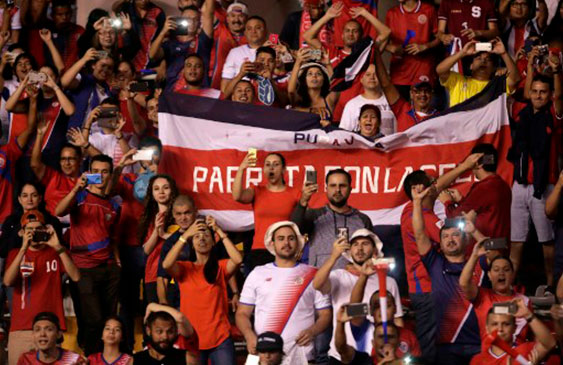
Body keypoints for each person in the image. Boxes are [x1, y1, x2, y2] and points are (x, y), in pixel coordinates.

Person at [399, 154, 483, 363]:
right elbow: (452, 239)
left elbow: (437, 186)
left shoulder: (412, 210)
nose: (437, 186)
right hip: (428, 289)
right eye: (431, 184)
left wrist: (465, 165)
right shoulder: (421, 217)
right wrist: (460, 211)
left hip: (429, 286)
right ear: (420, 190)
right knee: (431, 348)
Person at [236, 221, 332, 363]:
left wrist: (313, 331)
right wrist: (249, 335)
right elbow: (242, 313)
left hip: (301, 355)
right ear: (272, 243)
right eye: (281, 238)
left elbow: (325, 314)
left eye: (291, 238)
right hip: (263, 354)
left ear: (298, 243)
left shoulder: (314, 274)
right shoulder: (257, 273)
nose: (286, 243)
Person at [54, 154, 121, 356]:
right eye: (96, 171)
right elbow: (59, 211)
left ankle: (104, 358)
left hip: (109, 269)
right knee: (92, 320)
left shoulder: (114, 204)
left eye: (105, 171)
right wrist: (76, 187)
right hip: (83, 269)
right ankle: (90, 358)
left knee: (108, 319)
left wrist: (117, 261)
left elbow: (110, 234)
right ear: (89, 173)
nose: (100, 176)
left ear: (110, 175)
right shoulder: (80, 196)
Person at [412, 185, 481, 364]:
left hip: (479, 344)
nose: (450, 240)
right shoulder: (435, 263)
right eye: (445, 237)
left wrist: (473, 230)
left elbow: (495, 253)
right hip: (446, 347)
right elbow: (419, 235)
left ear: (465, 240)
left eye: (455, 235)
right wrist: (417, 202)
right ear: (440, 244)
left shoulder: (478, 263)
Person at [312, 228, 403, 363]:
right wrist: (333, 257)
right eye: (355, 244)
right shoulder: (339, 276)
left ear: (375, 251)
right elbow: (317, 284)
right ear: (350, 251)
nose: (359, 248)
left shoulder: (388, 282)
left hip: (378, 355)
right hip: (341, 354)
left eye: (365, 244)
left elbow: (397, 320)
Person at [4, 210, 80, 364]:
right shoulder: (15, 254)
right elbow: (7, 281)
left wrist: (57, 246)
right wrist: (23, 249)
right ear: (22, 233)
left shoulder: (56, 252)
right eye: (29, 230)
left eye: (38, 229)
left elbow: (76, 276)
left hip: (50, 327)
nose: (33, 233)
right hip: (22, 327)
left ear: (45, 230)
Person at [163, 215, 242, 364]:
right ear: (192, 244)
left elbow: (238, 259)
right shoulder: (185, 268)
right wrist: (186, 235)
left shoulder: (220, 267)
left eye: (206, 235)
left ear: (213, 242)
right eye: (197, 236)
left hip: (220, 338)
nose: (202, 239)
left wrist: (219, 230)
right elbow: (166, 264)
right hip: (192, 339)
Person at [510, 71, 562, 285]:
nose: (538, 96)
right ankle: (508, 285)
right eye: (535, 91)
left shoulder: (554, 116)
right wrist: (530, 66)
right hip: (520, 185)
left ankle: (551, 284)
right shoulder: (521, 114)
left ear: (550, 95)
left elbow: (560, 98)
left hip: (545, 187)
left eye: (543, 92)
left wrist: (557, 72)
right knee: (516, 240)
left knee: (547, 241)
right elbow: (520, 93)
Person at [303, 2, 391, 122]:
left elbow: (386, 32)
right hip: (337, 114)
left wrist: (365, 13)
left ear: (361, 35)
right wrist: (327, 16)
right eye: (347, 31)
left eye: (355, 31)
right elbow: (308, 36)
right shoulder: (332, 52)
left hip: (362, 116)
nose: (350, 34)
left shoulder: (367, 53)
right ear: (342, 35)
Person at [232, 151, 300, 273]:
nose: (271, 168)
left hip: (285, 250)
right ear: (263, 170)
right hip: (259, 250)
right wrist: (241, 169)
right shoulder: (257, 190)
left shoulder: (294, 193)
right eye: (267, 165)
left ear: (284, 170)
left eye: (276, 164)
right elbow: (237, 196)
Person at [291, 168, 373, 269]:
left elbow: (370, 253)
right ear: (326, 189)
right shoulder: (314, 215)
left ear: (350, 189)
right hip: (320, 280)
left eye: (342, 186)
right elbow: (295, 230)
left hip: (354, 281)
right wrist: (303, 201)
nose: (337, 190)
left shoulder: (363, 220)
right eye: (333, 185)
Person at [440, 143, 512, 241]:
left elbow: (455, 220)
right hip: (499, 247)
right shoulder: (503, 185)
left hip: (484, 249)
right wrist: (461, 200)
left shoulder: (484, 188)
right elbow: (485, 209)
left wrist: (447, 202)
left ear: (478, 163)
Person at [460, 252, 531, 344]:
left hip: (517, 354)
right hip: (490, 353)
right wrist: (475, 256)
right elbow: (464, 283)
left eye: (506, 270)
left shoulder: (524, 301)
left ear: (513, 274)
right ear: (489, 275)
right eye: (496, 270)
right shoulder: (481, 295)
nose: (501, 273)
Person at [436, 38, 520, 107]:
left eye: (488, 59)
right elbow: (440, 70)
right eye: (478, 58)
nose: (483, 61)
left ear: (494, 68)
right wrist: (463, 52)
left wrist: (503, 53)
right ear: (471, 66)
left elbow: (515, 79)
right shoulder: (458, 81)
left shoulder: (497, 86)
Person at [149, 1, 214, 89]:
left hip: (196, 94)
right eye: (187, 19)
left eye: (195, 19)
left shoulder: (202, 41)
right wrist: (163, 32)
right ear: (180, 21)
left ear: (199, 24)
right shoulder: (171, 43)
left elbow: (209, 12)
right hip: (172, 92)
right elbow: (152, 55)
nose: (191, 21)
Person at [373, 46, 438, 133]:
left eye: (426, 91)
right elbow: (386, 84)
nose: (422, 94)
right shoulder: (402, 109)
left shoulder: (439, 117)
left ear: (431, 94)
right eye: (418, 91)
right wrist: (376, 52)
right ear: (411, 93)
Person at [469, 300, 556, 364]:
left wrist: (528, 315)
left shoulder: (525, 351)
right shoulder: (477, 360)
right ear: (487, 328)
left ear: (515, 328)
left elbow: (549, 343)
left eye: (506, 324)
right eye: (495, 324)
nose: (500, 329)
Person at [384, 0, 440, 97]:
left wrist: (426, 46)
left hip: (423, 70)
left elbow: (440, 38)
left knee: (422, 110)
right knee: (401, 110)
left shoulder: (428, 10)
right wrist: (391, 48)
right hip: (399, 73)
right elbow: (382, 42)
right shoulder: (392, 13)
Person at [138, 174, 178, 303]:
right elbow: (145, 251)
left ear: (172, 190)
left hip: (178, 273)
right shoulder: (148, 217)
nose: (161, 192)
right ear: (152, 193)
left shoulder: (181, 214)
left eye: (165, 187)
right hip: (153, 274)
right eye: (156, 188)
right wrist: (156, 231)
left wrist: (166, 235)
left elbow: (187, 241)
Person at [0, 182, 63, 260]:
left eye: (34, 195)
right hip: (18, 264)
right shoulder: (10, 222)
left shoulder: (52, 222)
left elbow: (60, 249)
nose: (29, 200)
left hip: (45, 262)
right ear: (19, 199)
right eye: (25, 196)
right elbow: (2, 251)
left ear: (40, 198)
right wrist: (18, 235)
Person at [61, 48, 114, 129]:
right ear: (93, 65)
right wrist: (84, 59)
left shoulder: (109, 92)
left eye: (109, 68)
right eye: (103, 65)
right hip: (76, 134)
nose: (105, 70)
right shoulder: (83, 79)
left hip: (97, 138)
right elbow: (64, 82)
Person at [339, 64, 396, 136]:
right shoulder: (352, 104)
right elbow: (343, 135)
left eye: (376, 74)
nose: (372, 77)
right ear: (361, 79)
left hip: (390, 146)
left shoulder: (392, 101)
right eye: (368, 74)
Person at [112, 0, 166, 71]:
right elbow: (114, 8)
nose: (143, 1)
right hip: (129, 64)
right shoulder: (125, 9)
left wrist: (163, 63)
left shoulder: (157, 12)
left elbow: (164, 40)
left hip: (152, 63)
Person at [221, 15, 269, 94]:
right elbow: (224, 92)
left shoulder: (274, 51)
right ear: (245, 32)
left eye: (258, 28)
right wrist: (241, 74)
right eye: (249, 29)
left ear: (266, 31)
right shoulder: (235, 52)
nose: (253, 31)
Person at [16, 312, 85, 365]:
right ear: (33, 335)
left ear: (58, 334)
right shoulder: (25, 359)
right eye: (37, 330)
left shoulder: (73, 359)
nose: (42, 334)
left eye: (49, 329)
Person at [133, 310, 198, 365]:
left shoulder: (188, 359)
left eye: (170, 332)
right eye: (159, 331)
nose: (165, 337)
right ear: (148, 331)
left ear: (176, 331)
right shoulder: (135, 361)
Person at [288, 55, 337, 126]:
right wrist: (298, 63)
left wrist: (328, 65)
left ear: (324, 80)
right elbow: (291, 91)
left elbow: (336, 87)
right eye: (310, 74)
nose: (314, 76)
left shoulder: (328, 100)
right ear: (304, 79)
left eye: (319, 74)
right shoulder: (298, 99)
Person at [209, 2, 248, 90]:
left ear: (247, 19)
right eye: (233, 16)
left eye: (241, 16)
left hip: (242, 89)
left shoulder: (251, 39)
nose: (236, 20)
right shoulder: (220, 30)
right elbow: (208, 9)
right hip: (215, 84)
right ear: (227, 18)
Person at [49, 0, 85, 70]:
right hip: (52, 73)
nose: (64, 17)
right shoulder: (47, 33)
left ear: (71, 13)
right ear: (52, 15)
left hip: (74, 73)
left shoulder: (79, 31)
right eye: (60, 14)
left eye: (67, 13)